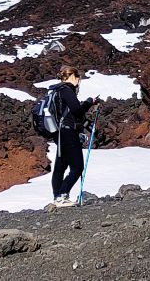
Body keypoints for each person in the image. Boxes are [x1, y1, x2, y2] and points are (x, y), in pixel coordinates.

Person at [50, 66, 100, 207]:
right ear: (73, 77)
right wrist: (89, 102)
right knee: (77, 167)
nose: (79, 82)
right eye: (78, 78)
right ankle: (62, 195)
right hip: (68, 133)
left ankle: (57, 197)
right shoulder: (67, 90)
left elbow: (70, 113)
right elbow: (77, 110)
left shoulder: (57, 90)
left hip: (60, 133)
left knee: (60, 166)